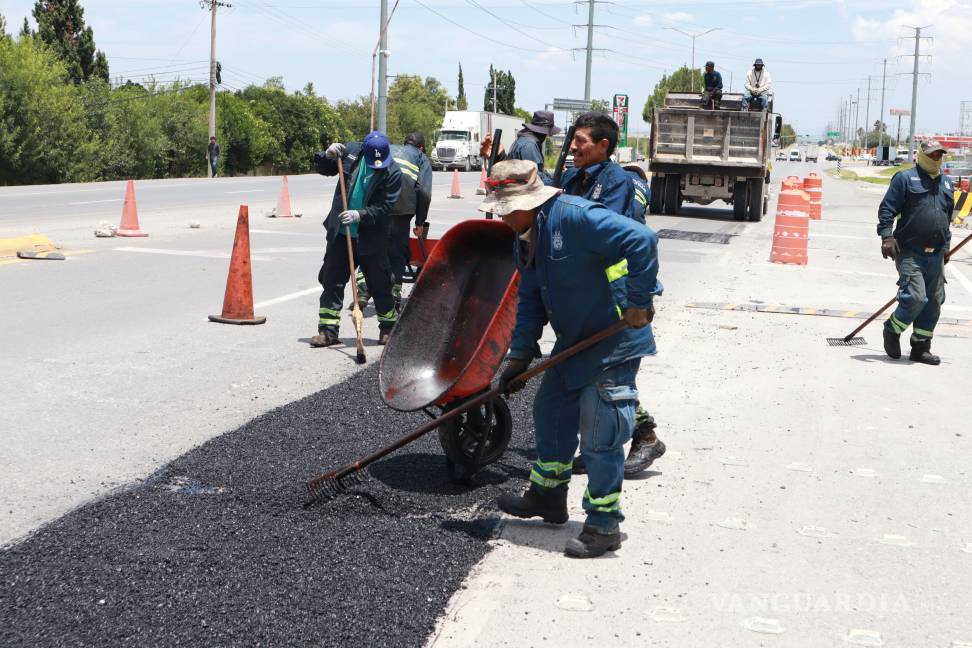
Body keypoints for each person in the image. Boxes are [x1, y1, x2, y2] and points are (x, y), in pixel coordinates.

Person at [482, 159, 662, 558]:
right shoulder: (523, 238)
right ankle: (548, 496)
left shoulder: (576, 218)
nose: (502, 216)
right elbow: (529, 300)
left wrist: (638, 301)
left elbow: (643, 241)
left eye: (506, 208)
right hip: (575, 339)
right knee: (551, 412)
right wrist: (520, 357)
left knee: (601, 433)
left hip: (614, 336)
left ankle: (603, 524)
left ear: (529, 200)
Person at [560, 112, 666, 475]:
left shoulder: (617, 182)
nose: (573, 146)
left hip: (618, 293)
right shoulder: (575, 178)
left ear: (604, 146)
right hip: (587, 291)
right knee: (593, 372)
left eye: (581, 141)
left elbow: (601, 234)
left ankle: (645, 436)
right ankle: (598, 442)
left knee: (612, 374)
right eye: (572, 139)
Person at [310, 131, 401, 348]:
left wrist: (360, 214)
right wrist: (327, 155)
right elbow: (324, 169)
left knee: (380, 283)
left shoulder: (393, 173)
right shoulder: (349, 153)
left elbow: (385, 207)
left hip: (371, 236)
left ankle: (388, 329)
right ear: (364, 151)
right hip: (342, 235)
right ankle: (327, 331)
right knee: (332, 281)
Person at [877, 139, 954, 365]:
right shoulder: (904, 178)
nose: (936, 158)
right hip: (910, 251)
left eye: (939, 155)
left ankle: (920, 347)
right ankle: (892, 329)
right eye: (932, 154)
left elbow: (946, 219)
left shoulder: (947, 183)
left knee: (934, 301)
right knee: (916, 297)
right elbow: (887, 209)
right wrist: (887, 236)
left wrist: (946, 246)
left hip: (936, 254)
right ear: (922, 155)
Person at [357, 133, 433, 312]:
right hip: (402, 208)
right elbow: (424, 192)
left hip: (377, 204)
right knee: (397, 252)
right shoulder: (421, 158)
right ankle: (394, 296)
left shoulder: (388, 148)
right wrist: (420, 221)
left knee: (372, 247)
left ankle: (363, 291)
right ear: (421, 147)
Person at [504, 110, 562, 181]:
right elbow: (536, 178)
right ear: (542, 133)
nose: (546, 136)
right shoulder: (529, 146)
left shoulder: (524, 140)